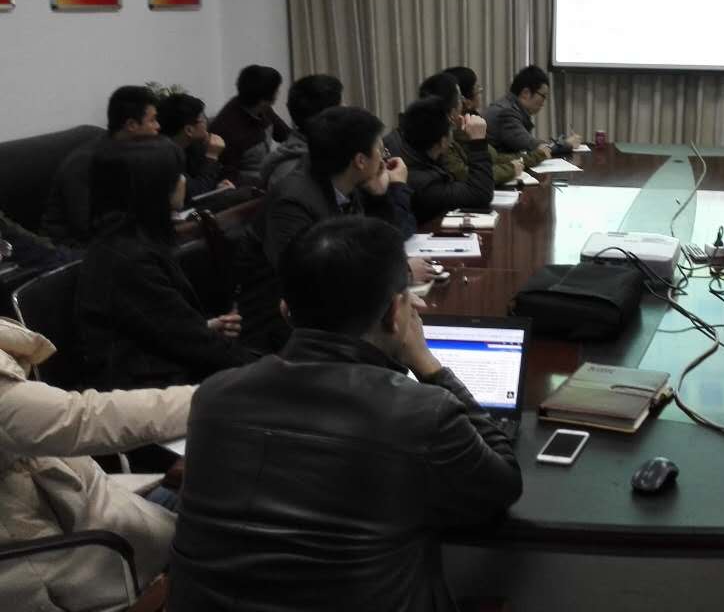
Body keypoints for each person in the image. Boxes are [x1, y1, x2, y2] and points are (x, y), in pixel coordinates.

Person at [168, 217, 523, 612]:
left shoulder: (213, 397)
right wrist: (429, 366)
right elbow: (502, 484)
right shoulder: (421, 413)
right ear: (396, 312)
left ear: (286, 310)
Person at [0, 318, 192, 611]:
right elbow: (84, 418)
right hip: (91, 559)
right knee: (231, 526)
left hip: (94, 508)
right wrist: (219, 398)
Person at [234, 106, 423, 353]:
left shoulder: (345, 183)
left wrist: (379, 197)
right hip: (283, 328)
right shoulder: (292, 202)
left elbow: (373, 247)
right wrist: (393, 284)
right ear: (360, 161)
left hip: (333, 311)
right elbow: (313, 282)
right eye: (380, 150)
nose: (384, 159)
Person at [75, 139, 251, 392]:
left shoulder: (132, 241)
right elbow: (185, 340)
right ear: (153, 188)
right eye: (177, 176)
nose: (183, 181)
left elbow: (164, 325)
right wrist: (263, 370)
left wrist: (203, 327)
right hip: (149, 389)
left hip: (164, 366)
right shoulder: (128, 259)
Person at [42, 85, 161, 244]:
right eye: (152, 120)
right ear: (132, 125)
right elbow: (85, 227)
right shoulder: (84, 163)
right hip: (70, 246)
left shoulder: (136, 153)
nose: (158, 126)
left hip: (117, 238)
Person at [387, 95, 494, 222]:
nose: (454, 126)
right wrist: (478, 142)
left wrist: (462, 134)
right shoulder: (423, 185)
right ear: (443, 142)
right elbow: (480, 194)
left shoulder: (417, 149)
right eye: (451, 126)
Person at [419, 71, 530, 185]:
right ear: (451, 110)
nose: (463, 101)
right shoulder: (439, 139)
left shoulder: (458, 129)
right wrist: (477, 140)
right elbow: (469, 177)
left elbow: (491, 158)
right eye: (460, 98)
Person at [209, 64, 291, 185]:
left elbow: (286, 135)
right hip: (249, 188)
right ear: (263, 100)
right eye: (277, 91)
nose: (278, 94)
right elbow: (228, 178)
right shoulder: (227, 128)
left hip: (268, 176)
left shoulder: (262, 108)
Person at [259, 73, 344, 188]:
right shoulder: (291, 174)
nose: (346, 108)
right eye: (341, 106)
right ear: (326, 120)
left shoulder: (331, 153)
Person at [483, 64, 580, 157]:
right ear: (526, 93)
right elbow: (536, 148)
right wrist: (568, 144)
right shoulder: (506, 113)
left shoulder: (508, 106)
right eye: (543, 96)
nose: (543, 102)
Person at [157, 92, 231, 199]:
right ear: (189, 130)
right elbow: (194, 193)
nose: (207, 122)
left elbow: (205, 182)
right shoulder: (165, 157)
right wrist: (212, 157)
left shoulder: (192, 145)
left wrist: (218, 186)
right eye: (203, 118)